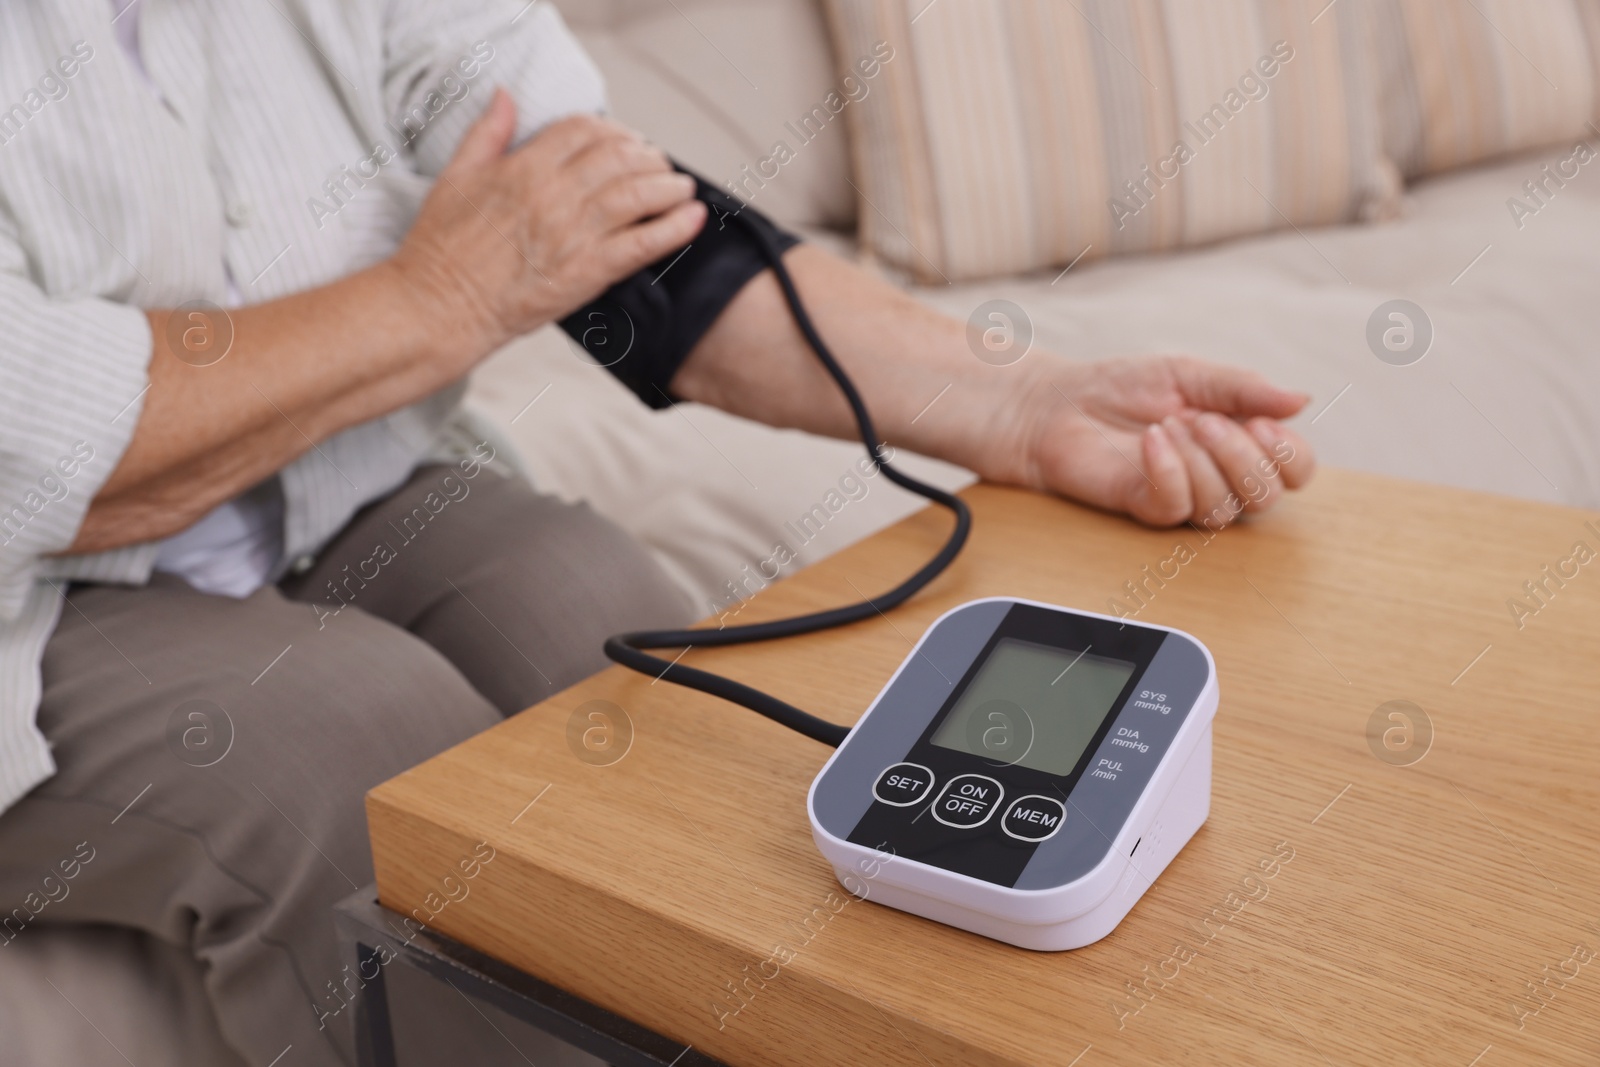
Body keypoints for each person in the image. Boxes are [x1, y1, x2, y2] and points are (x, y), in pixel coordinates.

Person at [0, 1, 1315, 1063]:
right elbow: (58, 448)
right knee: (358, 750)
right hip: (37, 592)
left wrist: (1022, 404)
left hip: (341, 482)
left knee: (603, 627)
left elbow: (623, 240)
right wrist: (449, 290)